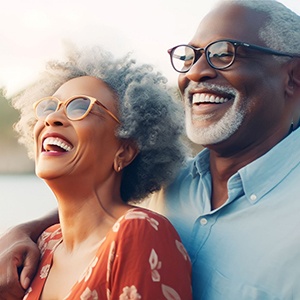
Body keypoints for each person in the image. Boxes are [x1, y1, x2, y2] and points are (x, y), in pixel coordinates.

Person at [1, 0, 300, 298]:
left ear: (294, 75)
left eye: (224, 53)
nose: (195, 72)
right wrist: (26, 231)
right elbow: (92, 208)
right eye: (189, 56)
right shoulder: (166, 184)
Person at [0, 46, 192, 299]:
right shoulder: (42, 244)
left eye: (80, 107)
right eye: (50, 107)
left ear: (124, 151)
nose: (53, 118)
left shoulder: (138, 232)